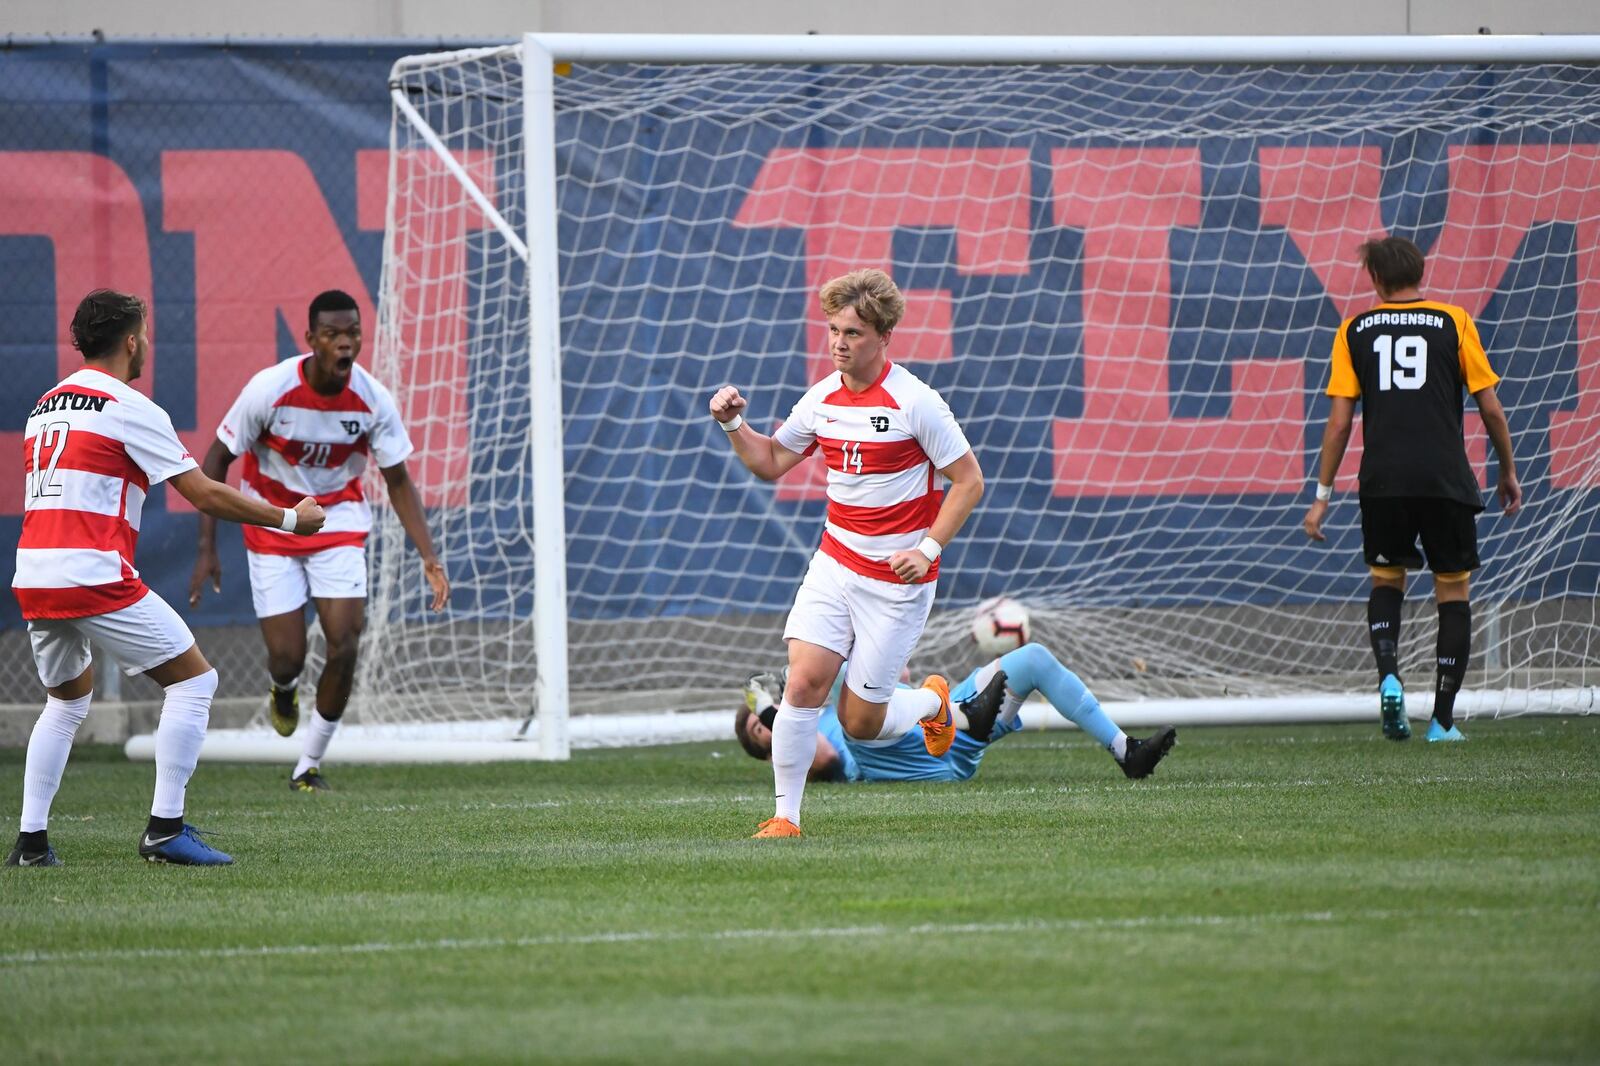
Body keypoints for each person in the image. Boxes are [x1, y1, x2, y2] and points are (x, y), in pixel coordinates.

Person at [8, 289, 327, 868]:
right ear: (132, 341)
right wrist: (289, 519)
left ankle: (31, 844)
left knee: (65, 702)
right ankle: (165, 829)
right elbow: (202, 490)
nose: (148, 343)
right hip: (90, 574)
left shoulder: (44, 406)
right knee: (194, 683)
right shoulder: (130, 406)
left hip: (34, 573)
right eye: (145, 334)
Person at [708, 269, 984, 838]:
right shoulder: (822, 398)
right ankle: (786, 817)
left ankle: (932, 704)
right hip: (834, 563)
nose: (839, 342)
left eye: (853, 333)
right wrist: (734, 423)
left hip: (897, 580)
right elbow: (769, 463)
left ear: (884, 336)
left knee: (860, 724)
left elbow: (969, 480)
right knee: (803, 683)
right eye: (833, 330)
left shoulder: (916, 402)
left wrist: (928, 546)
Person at [188, 290, 448, 792]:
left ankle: (308, 765)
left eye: (352, 332)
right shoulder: (270, 389)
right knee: (287, 657)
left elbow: (398, 481)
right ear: (310, 340)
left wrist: (430, 557)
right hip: (274, 524)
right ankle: (283, 689)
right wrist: (207, 547)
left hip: (337, 523)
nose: (345, 343)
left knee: (345, 642)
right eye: (332, 334)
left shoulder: (372, 399)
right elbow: (216, 459)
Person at [1302, 236, 1521, 743]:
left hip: (1384, 481)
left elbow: (1338, 425)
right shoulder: (1454, 321)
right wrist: (1508, 471)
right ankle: (1442, 721)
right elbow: (1490, 408)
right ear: (1421, 273)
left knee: (1385, 580)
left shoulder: (1353, 329)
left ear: (1375, 281)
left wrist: (1321, 496)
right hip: (1445, 479)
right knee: (1453, 589)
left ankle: (1390, 677)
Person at [734, 643, 1177, 784]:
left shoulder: (824, 703)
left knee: (1033, 659)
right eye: (761, 731)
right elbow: (825, 756)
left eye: (763, 722)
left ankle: (1126, 750)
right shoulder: (792, 753)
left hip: (946, 735)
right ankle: (961, 714)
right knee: (851, 696)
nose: (768, 728)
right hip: (901, 763)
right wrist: (769, 707)